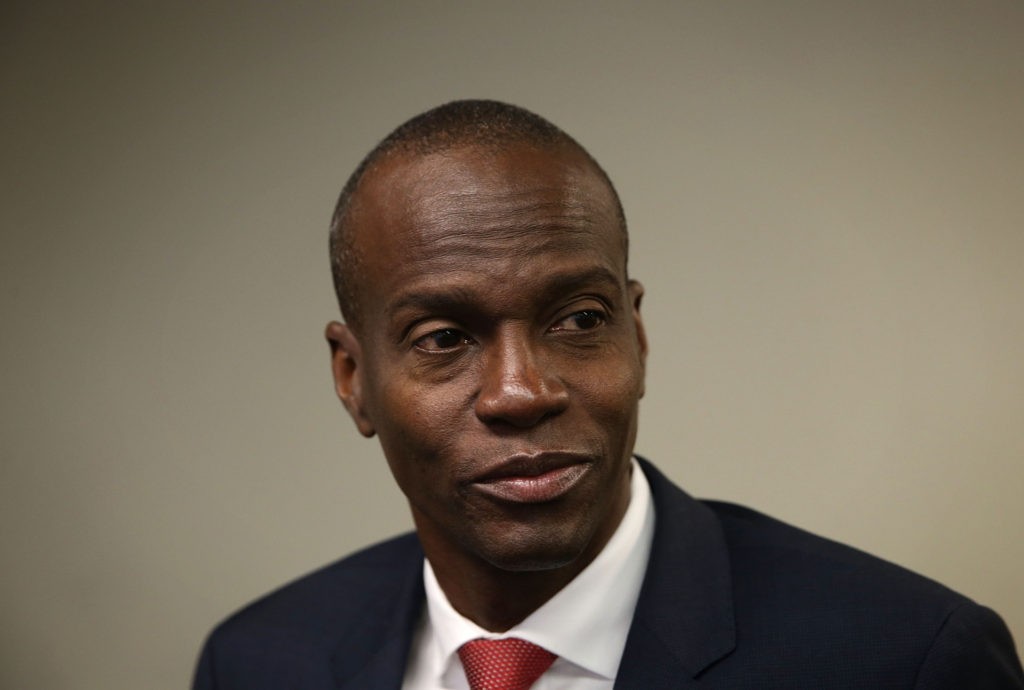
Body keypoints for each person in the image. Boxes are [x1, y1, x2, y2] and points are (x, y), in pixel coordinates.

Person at [193, 100, 1023, 689]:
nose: (522, 393)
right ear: (353, 380)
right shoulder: (260, 662)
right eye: (443, 339)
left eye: (578, 319)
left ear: (639, 335)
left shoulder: (907, 661)